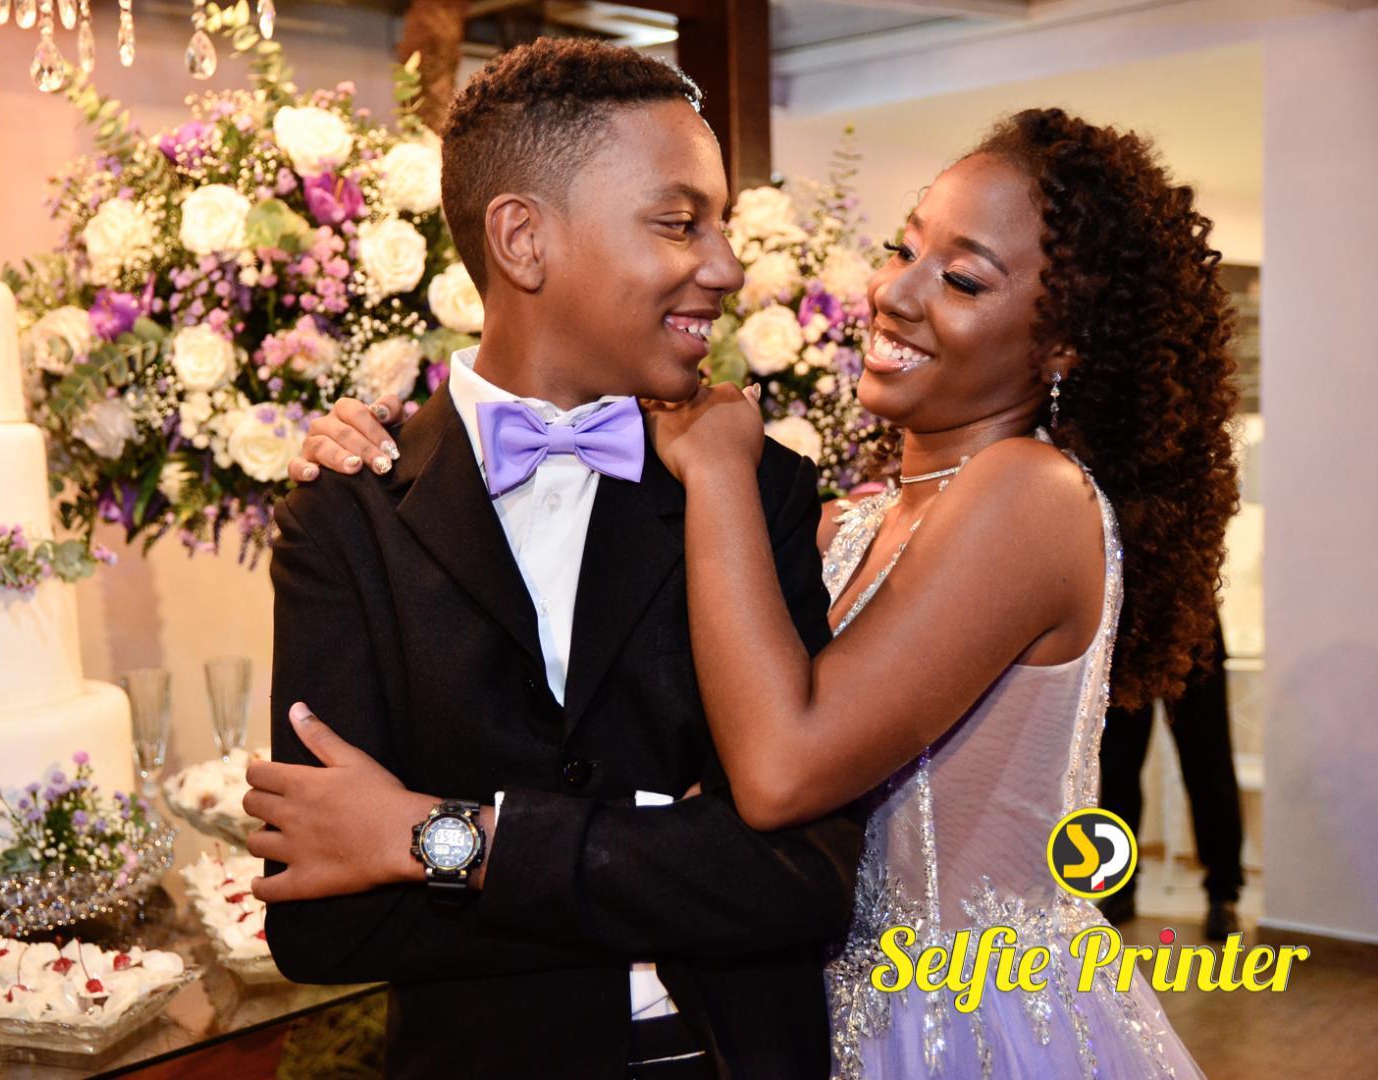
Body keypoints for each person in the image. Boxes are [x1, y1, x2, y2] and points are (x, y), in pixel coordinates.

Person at [294, 108, 1238, 1077]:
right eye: (903, 248)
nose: (893, 291)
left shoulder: (1027, 493)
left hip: (964, 1023)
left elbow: (780, 772)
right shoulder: (853, 520)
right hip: (825, 1022)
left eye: (960, 279)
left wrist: (716, 472)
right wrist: (400, 451)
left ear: (1066, 345)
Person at [243, 39, 865, 1080]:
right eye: (680, 222)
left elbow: (799, 881)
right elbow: (323, 924)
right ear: (522, 240)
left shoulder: (755, 489)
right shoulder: (349, 516)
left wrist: (433, 839)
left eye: (720, 223)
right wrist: (665, 852)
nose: (725, 266)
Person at [1099, 613, 1247, 940]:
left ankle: (1223, 894)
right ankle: (1117, 887)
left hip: (1191, 625)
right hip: (1127, 633)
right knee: (1116, 771)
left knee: (1209, 769)